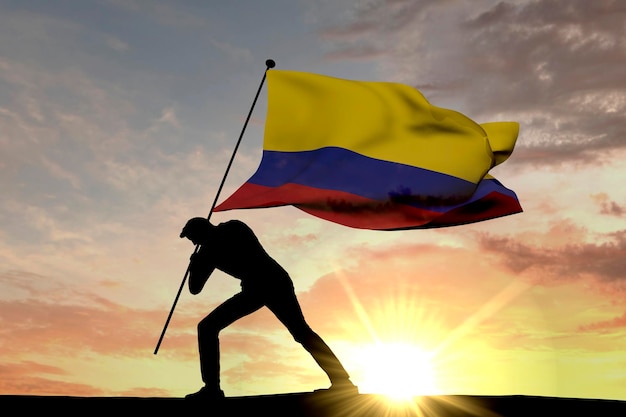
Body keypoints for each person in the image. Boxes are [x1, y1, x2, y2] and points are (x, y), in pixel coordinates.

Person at [179, 217, 357, 400]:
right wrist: (195, 266)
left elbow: (247, 251)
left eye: (192, 237)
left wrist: (204, 258)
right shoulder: (207, 253)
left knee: (301, 331)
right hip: (253, 289)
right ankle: (212, 388)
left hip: (274, 281)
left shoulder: (233, 228)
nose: (193, 242)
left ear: (201, 231)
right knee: (207, 327)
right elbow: (195, 289)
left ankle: (342, 381)